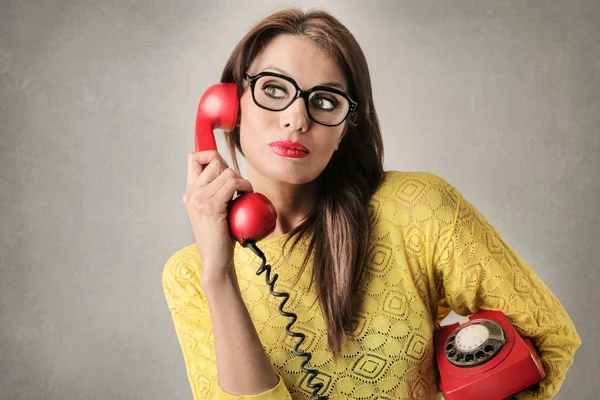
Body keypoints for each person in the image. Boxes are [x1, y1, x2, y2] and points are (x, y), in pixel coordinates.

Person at [162, 8, 581, 400]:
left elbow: (549, 340)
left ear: (346, 126)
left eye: (325, 100)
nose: (296, 118)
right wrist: (218, 277)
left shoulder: (418, 209)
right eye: (273, 89)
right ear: (228, 105)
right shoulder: (189, 277)